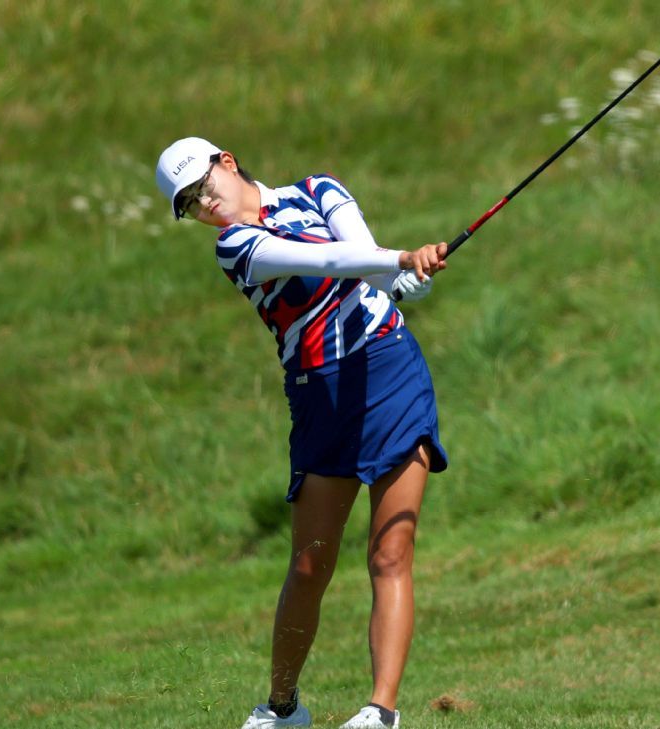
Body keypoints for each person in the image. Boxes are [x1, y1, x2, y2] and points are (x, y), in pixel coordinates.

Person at [155, 137, 449, 729]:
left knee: (391, 552)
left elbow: (360, 254)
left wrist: (399, 281)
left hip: (389, 367)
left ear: (228, 163)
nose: (206, 203)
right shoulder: (235, 248)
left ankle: (380, 711)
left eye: (205, 185)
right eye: (189, 203)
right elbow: (324, 262)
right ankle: (283, 707)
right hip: (321, 394)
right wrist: (397, 262)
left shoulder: (319, 190)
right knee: (311, 564)